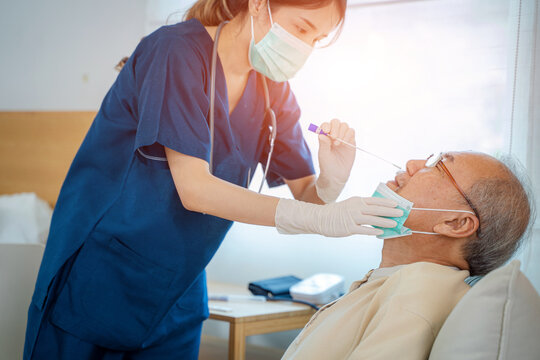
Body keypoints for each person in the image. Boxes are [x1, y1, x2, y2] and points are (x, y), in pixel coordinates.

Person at [24, 0, 403, 359]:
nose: (304, 47)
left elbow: (310, 202)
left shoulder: (274, 92)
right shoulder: (176, 52)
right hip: (98, 275)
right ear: (258, 4)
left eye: (315, 40)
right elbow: (196, 190)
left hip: (178, 291)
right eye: (302, 28)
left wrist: (329, 184)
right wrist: (322, 216)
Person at [282, 151, 533, 360]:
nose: (412, 164)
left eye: (438, 166)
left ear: (455, 223)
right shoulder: (401, 283)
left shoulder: (419, 296)